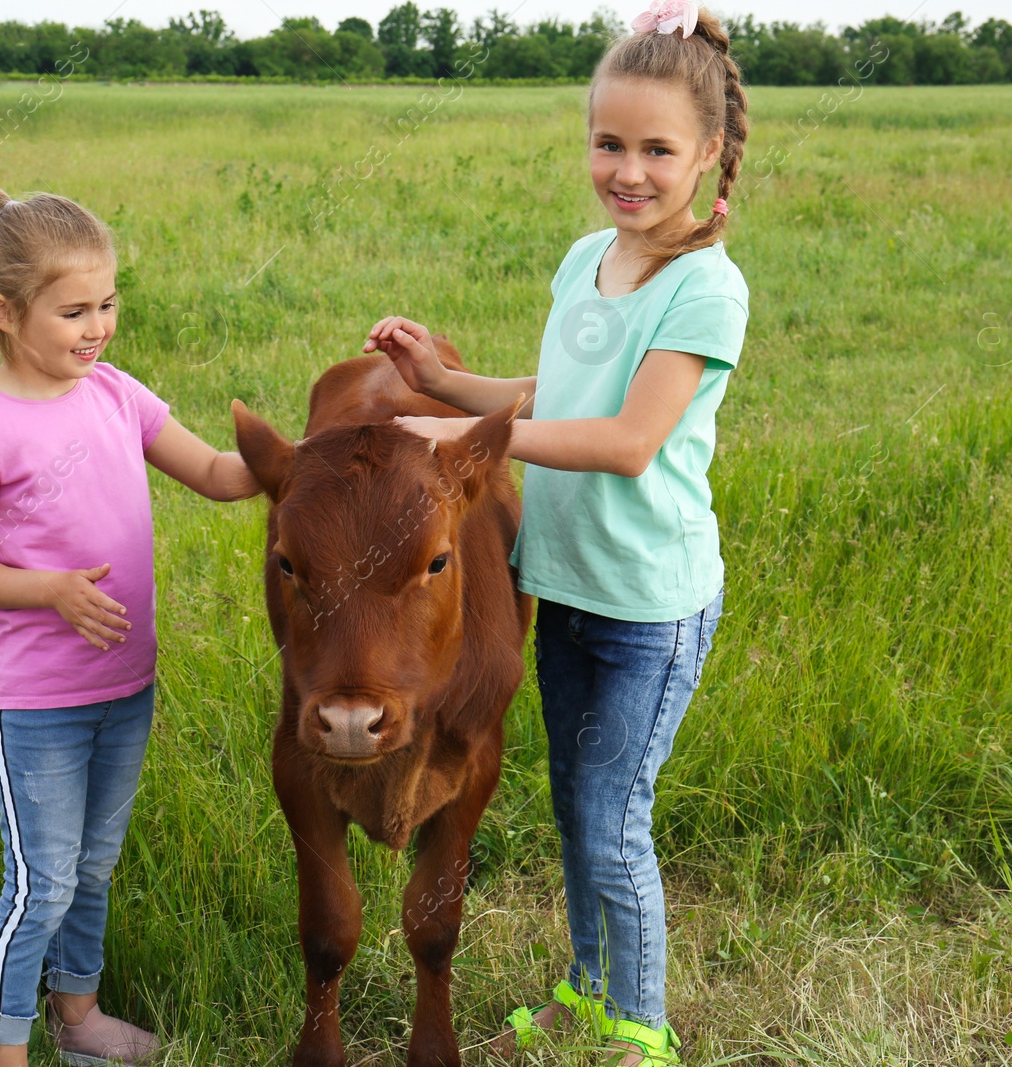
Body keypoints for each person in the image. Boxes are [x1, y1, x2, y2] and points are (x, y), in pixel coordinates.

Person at [362, 2, 749, 1062]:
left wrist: (459, 435)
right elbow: (559, 389)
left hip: (647, 603)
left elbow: (626, 438)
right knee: (578, 804)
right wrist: (445, 380)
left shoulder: (706, 291)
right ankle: (586, 987)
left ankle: (643, 1025)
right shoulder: (589, 258)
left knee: (614, 816)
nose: (628, 170)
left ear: (707, 154)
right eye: (608, 144)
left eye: (657, 150)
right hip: (565, 585)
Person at [0, 181, 261, 1067]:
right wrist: (52, 590)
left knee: (93, 869)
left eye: (107, 303)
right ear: (3, 310)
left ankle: (79, 1018)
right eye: (74, 310)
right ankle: (5, 1051)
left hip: (126, 686)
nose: (97, 326)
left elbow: (222, 475)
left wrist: (314, 452)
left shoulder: (116, 395)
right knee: (41, 882)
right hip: (35, 702)